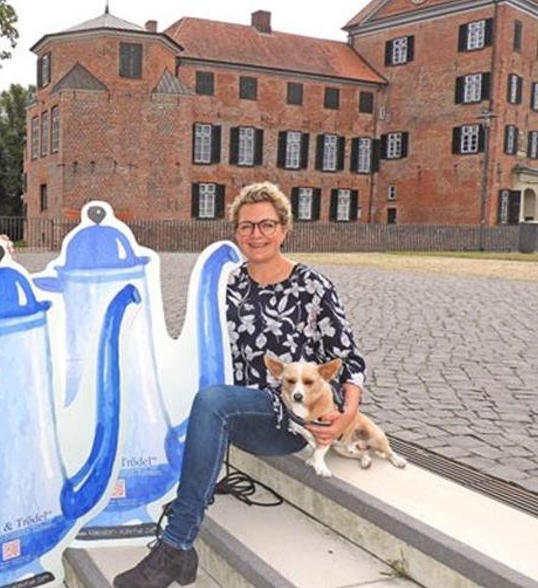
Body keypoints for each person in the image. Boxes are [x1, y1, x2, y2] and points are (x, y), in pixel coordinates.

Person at [114, 182, 367, 588]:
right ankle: (167, 538)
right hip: (240, 413)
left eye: (267, 224)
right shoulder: (226, 287)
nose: (256, 234)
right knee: (206, 400)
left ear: (285, 228)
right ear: (236, 232)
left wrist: (347, 415)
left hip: (292, 422)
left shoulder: (313, 287)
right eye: (246, 226)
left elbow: (350, 359)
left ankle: (176, 544)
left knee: (213, 402)